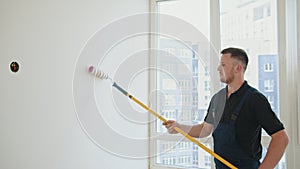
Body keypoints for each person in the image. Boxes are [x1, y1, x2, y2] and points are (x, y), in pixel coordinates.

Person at [163, 47, 289, 169]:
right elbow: (205, 129)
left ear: (238, 68)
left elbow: (281, 138)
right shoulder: (217, 99)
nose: (218, 68)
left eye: (223, 65)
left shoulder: (255, 100)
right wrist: (179, 127)